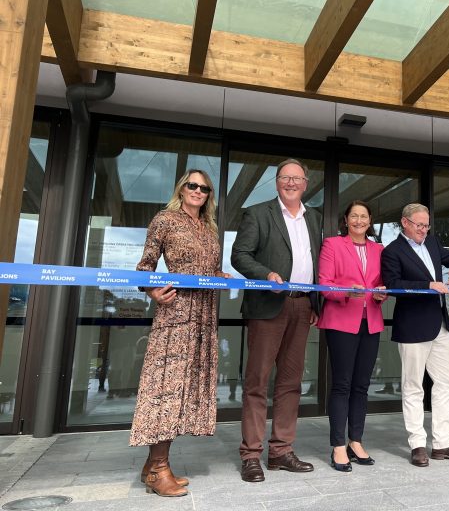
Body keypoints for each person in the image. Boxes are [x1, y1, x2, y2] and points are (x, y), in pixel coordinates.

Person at [131, 169, 231, 497]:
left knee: (185, 389)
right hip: (176, 315)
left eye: (204, 188)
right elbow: (145, 267)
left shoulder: (209, 228)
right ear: (182, 188)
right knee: (167, 389)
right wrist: (153, 292)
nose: (198, 191)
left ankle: (152, 464)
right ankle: (159, 468)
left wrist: (219, 274)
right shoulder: (165, 219)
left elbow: (206, 269)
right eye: (193, 185)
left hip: (203, 316)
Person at [231, 158, 322, 482]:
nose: (291, 183)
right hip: (267, 306)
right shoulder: (258, 214)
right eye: (286, 178)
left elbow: (315, 262)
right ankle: (251, 454)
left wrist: (314, 302)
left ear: (306, 183)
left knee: (291, 383)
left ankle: (281, 451)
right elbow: (240, 255)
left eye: (297, 178)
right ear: (277, 182)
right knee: (257, 381)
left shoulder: (315, 218)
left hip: (300, 306)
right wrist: (265, 274)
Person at [381, 203, 449, 467]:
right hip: (411, 326)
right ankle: (418, 445)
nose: (423, 229)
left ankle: (443, 443)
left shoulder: (432, 243)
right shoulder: (392, 251)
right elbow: (394, 285)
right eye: (419, 225)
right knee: (413, 387)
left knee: (446, 383)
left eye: (426, 225)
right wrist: (428, 285)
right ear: (405, 223)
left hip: (439, 324)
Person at [318, 201, 387, 472]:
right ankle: (337, 445)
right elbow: (325, 285)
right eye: (354, 216)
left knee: (362, 385)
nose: (359, 220)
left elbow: (382, 284)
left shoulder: (379, 249)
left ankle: (355, 441)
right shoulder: (332, 245)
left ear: (370, 221)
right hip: (341, 322)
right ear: (346, 220)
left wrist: (382, 294)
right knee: (342, 385)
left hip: (370, 322)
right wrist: (348, 291)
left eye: (364, 216)